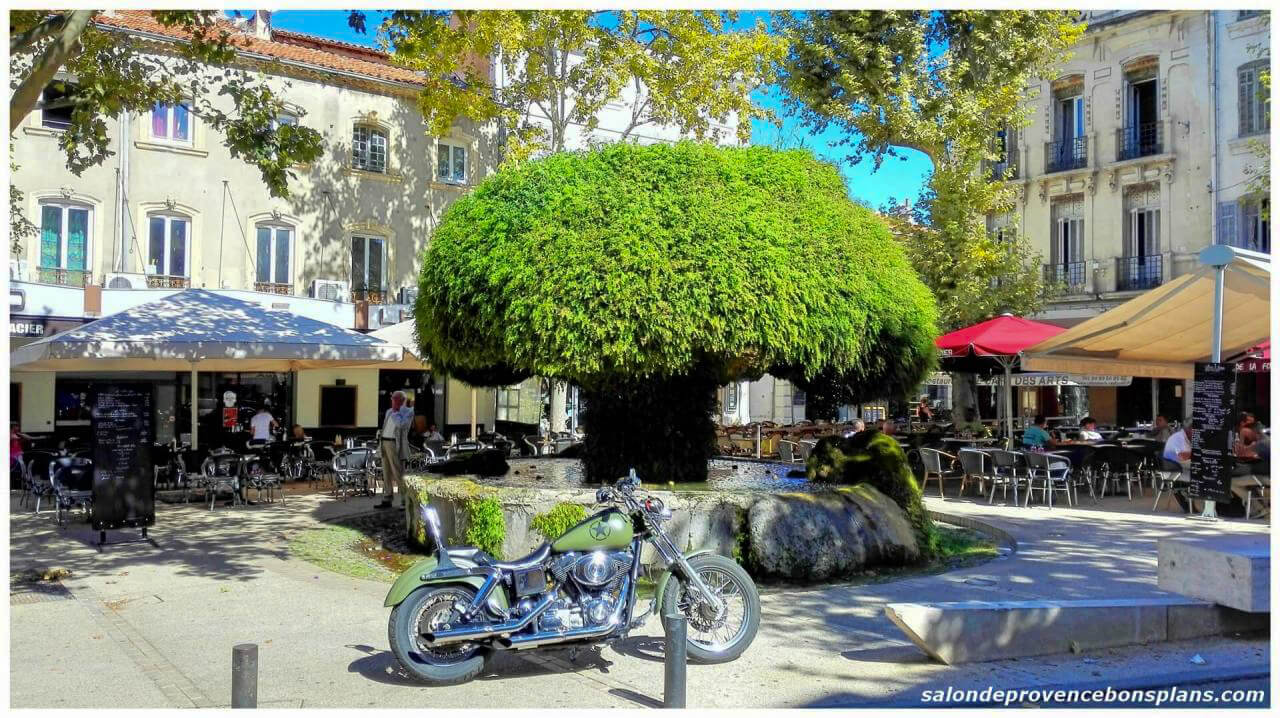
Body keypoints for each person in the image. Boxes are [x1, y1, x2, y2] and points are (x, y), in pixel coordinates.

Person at [377, 391, 414, 509]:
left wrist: (396, 413)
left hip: (395, 444)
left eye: (394, 399)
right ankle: (387, 498)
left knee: (398, 472)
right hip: (384, 442)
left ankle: (405, 500)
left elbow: (402, 425)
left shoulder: (408, 412)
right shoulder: (389, 411)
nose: (392, 401)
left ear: (400, 400)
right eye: (392, 399)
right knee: (386, 473)